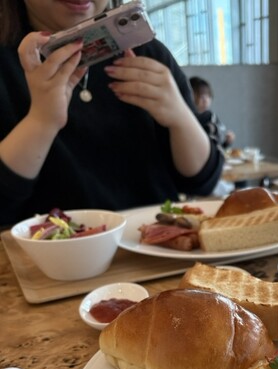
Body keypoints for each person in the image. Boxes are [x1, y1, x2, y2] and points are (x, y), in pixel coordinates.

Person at [0, 1, 224, 227]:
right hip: (50, 247)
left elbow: (201, 182)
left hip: (155, 241)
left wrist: (180, 118)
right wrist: (40, 121)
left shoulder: (145, 52)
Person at [189, 76, 236, 150]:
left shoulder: (212, 117)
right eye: (201, 96)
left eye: (208, 96)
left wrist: (226, 142)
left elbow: (218, 146)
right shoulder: (189, 119)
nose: (205, 100)